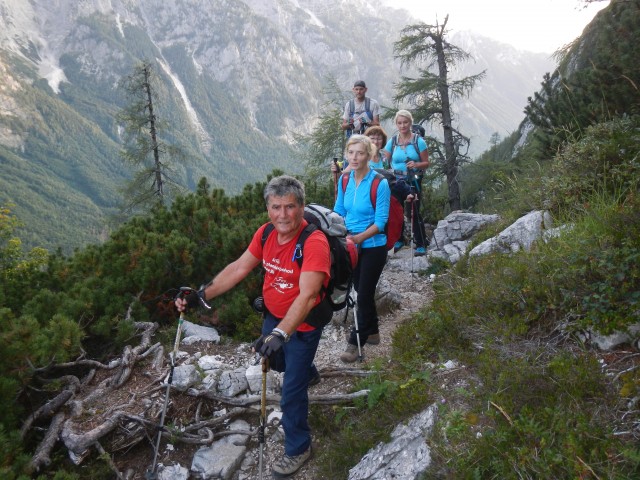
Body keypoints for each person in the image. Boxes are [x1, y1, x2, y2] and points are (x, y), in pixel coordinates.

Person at [175, 175, 331, 478]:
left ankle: (299, 447)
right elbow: (238, 268)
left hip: (304, 324)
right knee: (277, 360)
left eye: (289, 207)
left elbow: (308, 296)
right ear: (268, 209)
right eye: (276, 207)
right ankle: (306, 370)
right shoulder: (265, 234)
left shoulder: (314, 243)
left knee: (290, 392)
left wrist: (280, 333)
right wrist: (200, 296)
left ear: (301, 206)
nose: (282, 215)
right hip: (274, 317)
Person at [334, 135, 391, 362]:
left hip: (373, 246)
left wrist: (357, 239)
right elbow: (338, 210)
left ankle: (354, 342)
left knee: (363, 293)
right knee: (360, 290)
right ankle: (374, 332)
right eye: (351, 153)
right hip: (350, 244)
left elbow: (381, 222)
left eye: (360, 153)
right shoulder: (345, 180)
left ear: (369, 155)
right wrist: (339, 232)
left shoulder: (380, 183)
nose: (355, 157)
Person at [382, 110, 430, 256]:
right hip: (396, 181)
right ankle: (399, 239)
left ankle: (421, 243)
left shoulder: (419, 141)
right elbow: (385, 160)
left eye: (405, 122)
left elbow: (427, 163)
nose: (402, 125)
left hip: (412, 179)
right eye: (399, 123)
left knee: (413, 210)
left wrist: (415, 164)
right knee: (396, 210)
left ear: (410, 123)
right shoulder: (393, 141)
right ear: (396, 124)